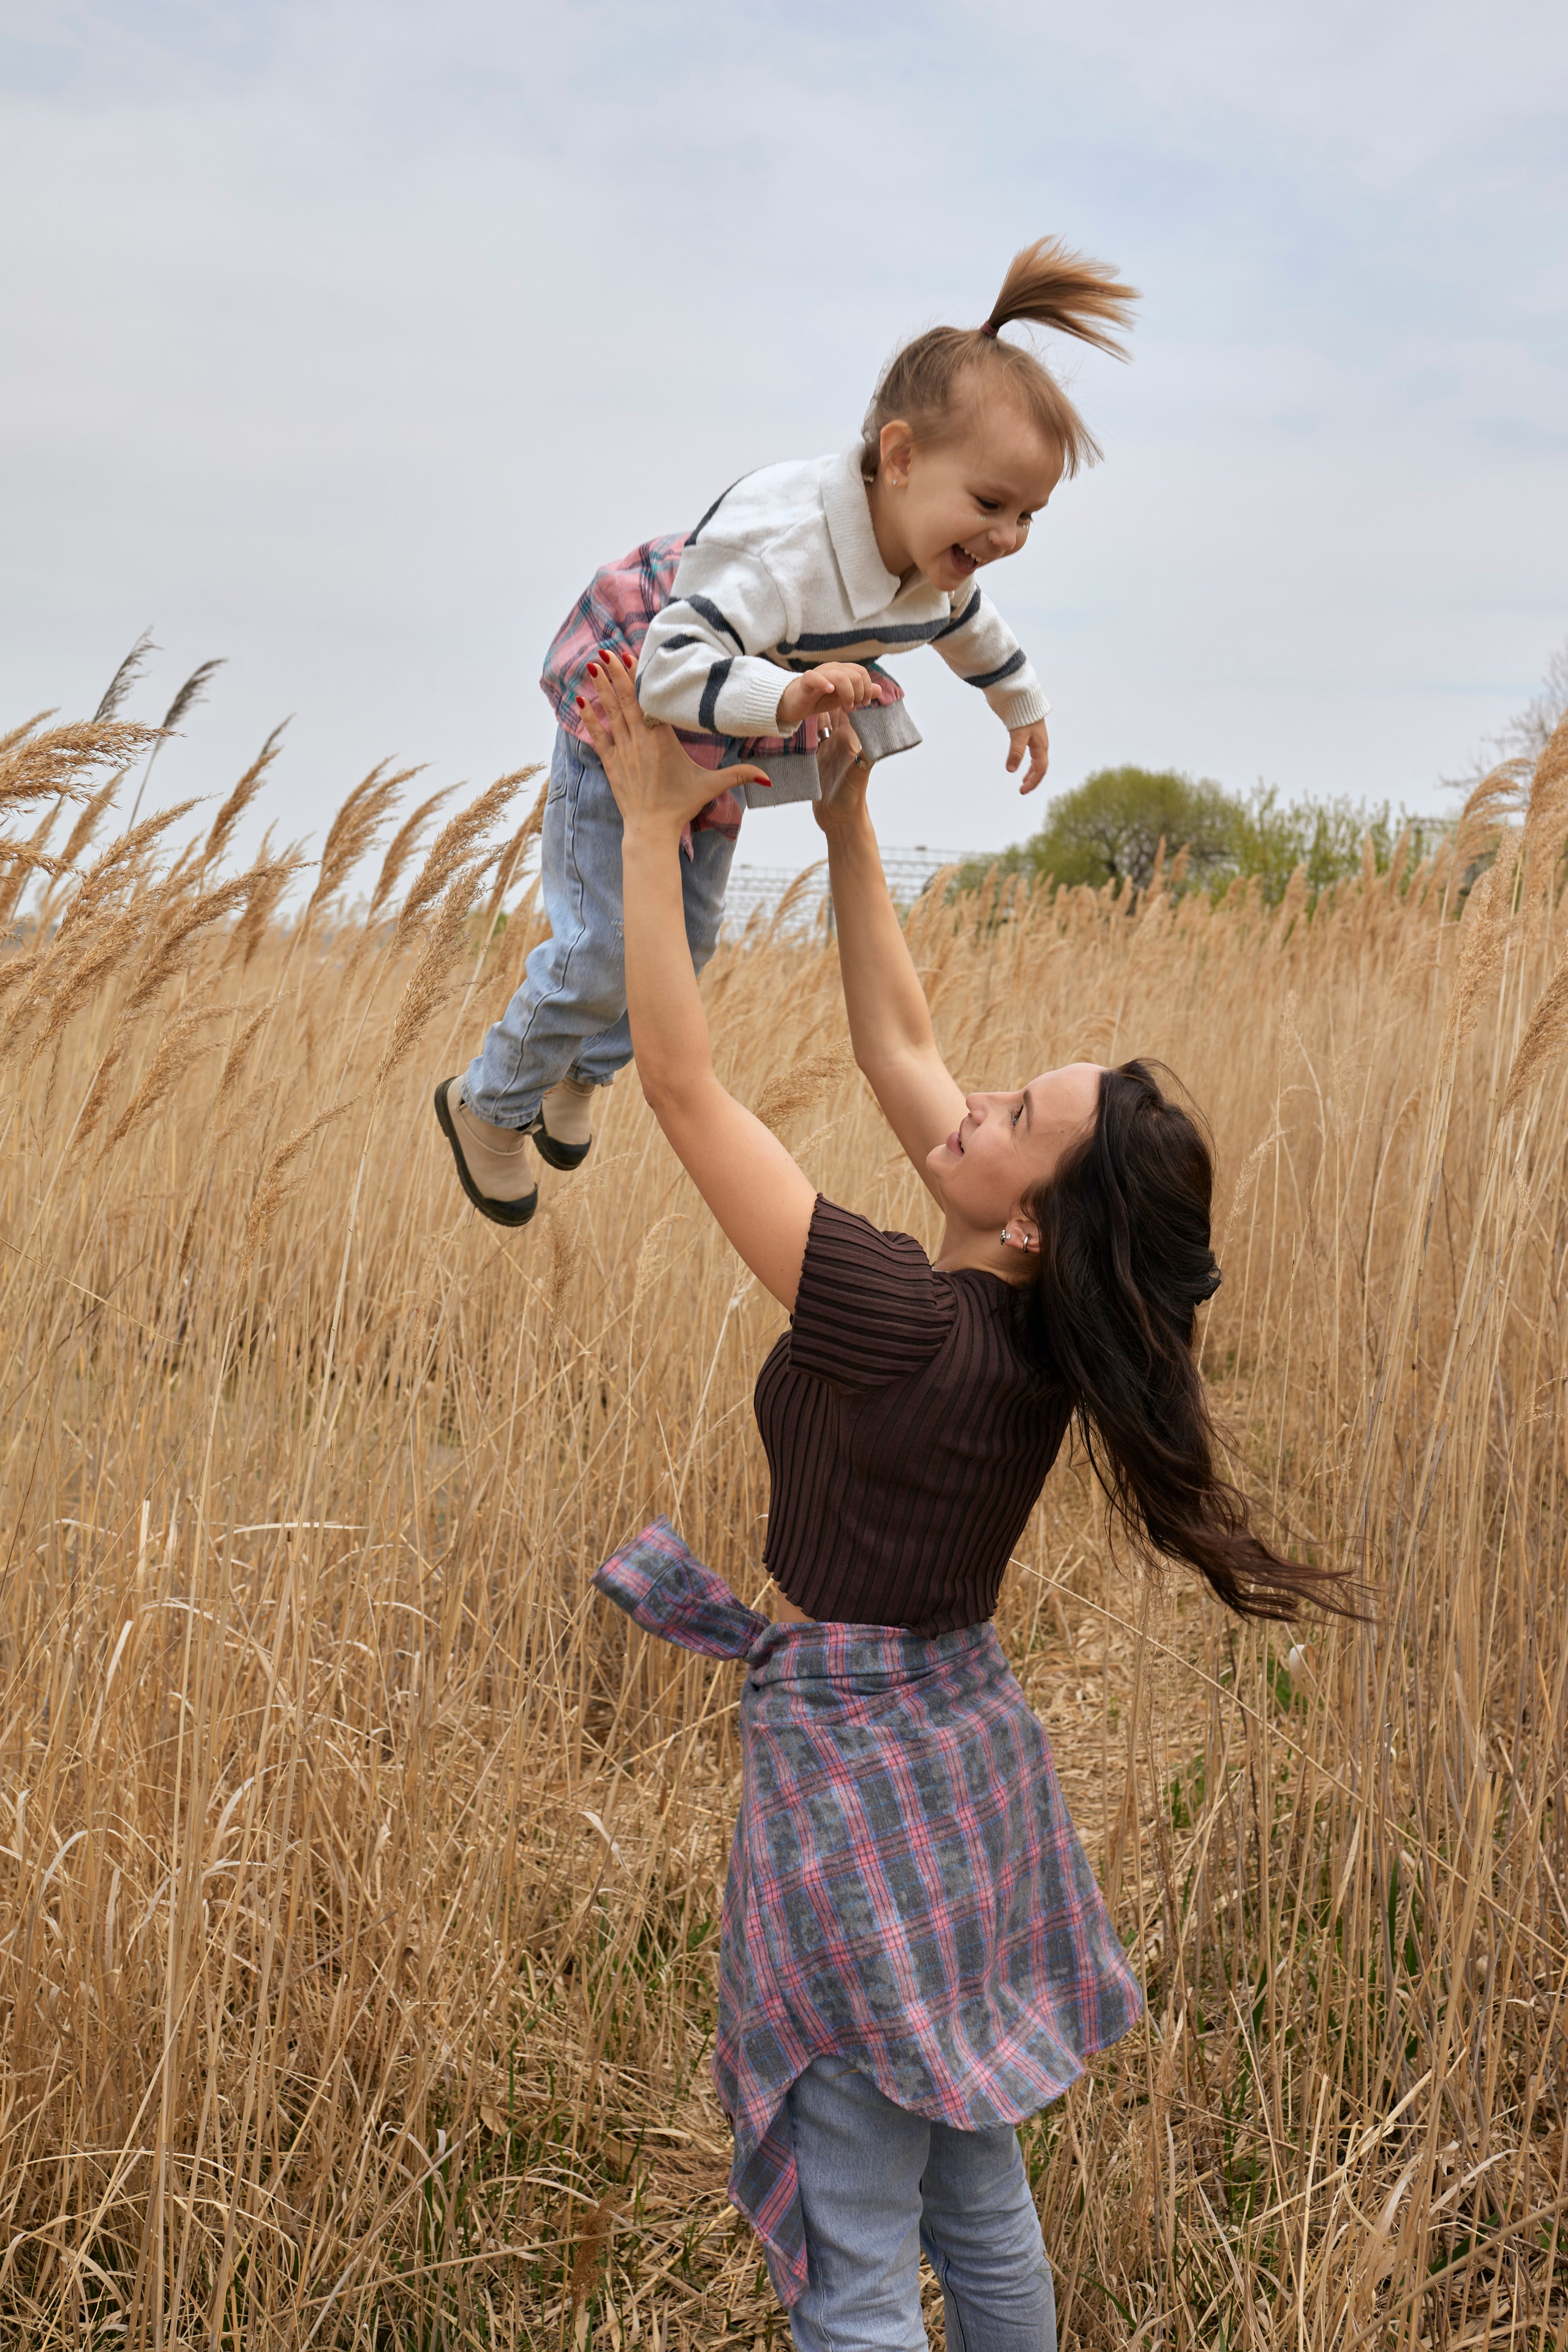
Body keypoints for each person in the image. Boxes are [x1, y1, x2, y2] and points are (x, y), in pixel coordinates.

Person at [573, 653, 1348, 2350]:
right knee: (975, 2189)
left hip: (861, 1787)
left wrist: (644, 830)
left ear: (1027, 1219)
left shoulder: (895, 1309)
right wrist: (852, 825)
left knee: (854, 2244)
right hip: (966, 1770)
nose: (977, 1099)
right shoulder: (1024, 1322)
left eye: (1015, 1118)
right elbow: (905, 1044)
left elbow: (689, 1095)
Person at [434, 234, 1139, 1228]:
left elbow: (970, 627)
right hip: (635, 707)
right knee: (604, 950)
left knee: (686, 943)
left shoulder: (938, 568)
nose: (1006, 539)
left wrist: (1020, 705)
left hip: (735, 720)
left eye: (1029, 516)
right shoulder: (784, 552)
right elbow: (676, 665)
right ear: (899, 457)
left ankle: (578, 1070)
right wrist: (786, 700)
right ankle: (488, 1101)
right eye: (990, 504)